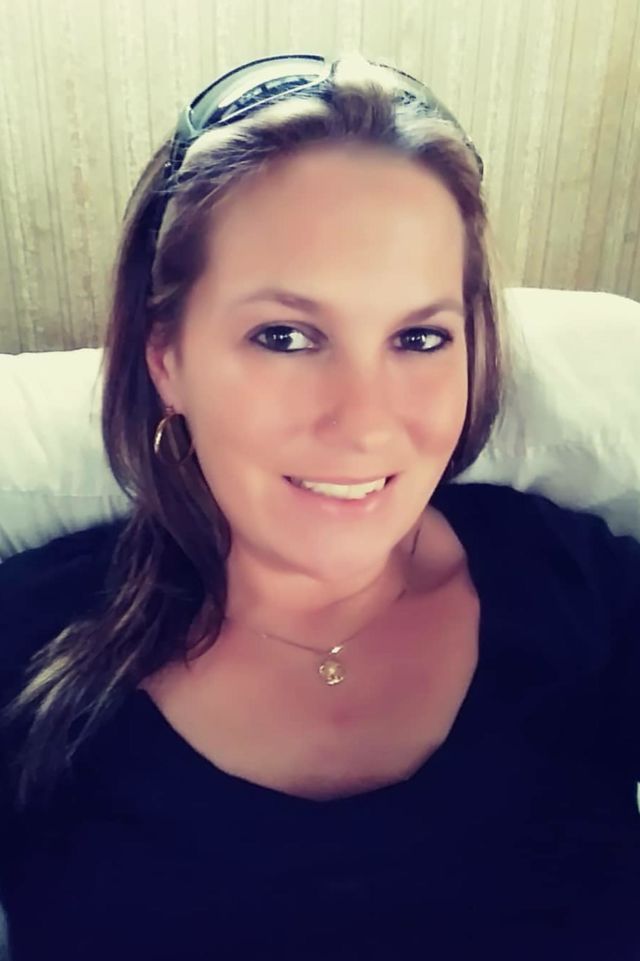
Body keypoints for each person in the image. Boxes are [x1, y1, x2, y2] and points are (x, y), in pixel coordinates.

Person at [0, 52, 639, 961]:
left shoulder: (585, 591)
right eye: (286, 335)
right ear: (167, 358)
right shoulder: (27, 649)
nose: (364, 422)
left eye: (420, 337)